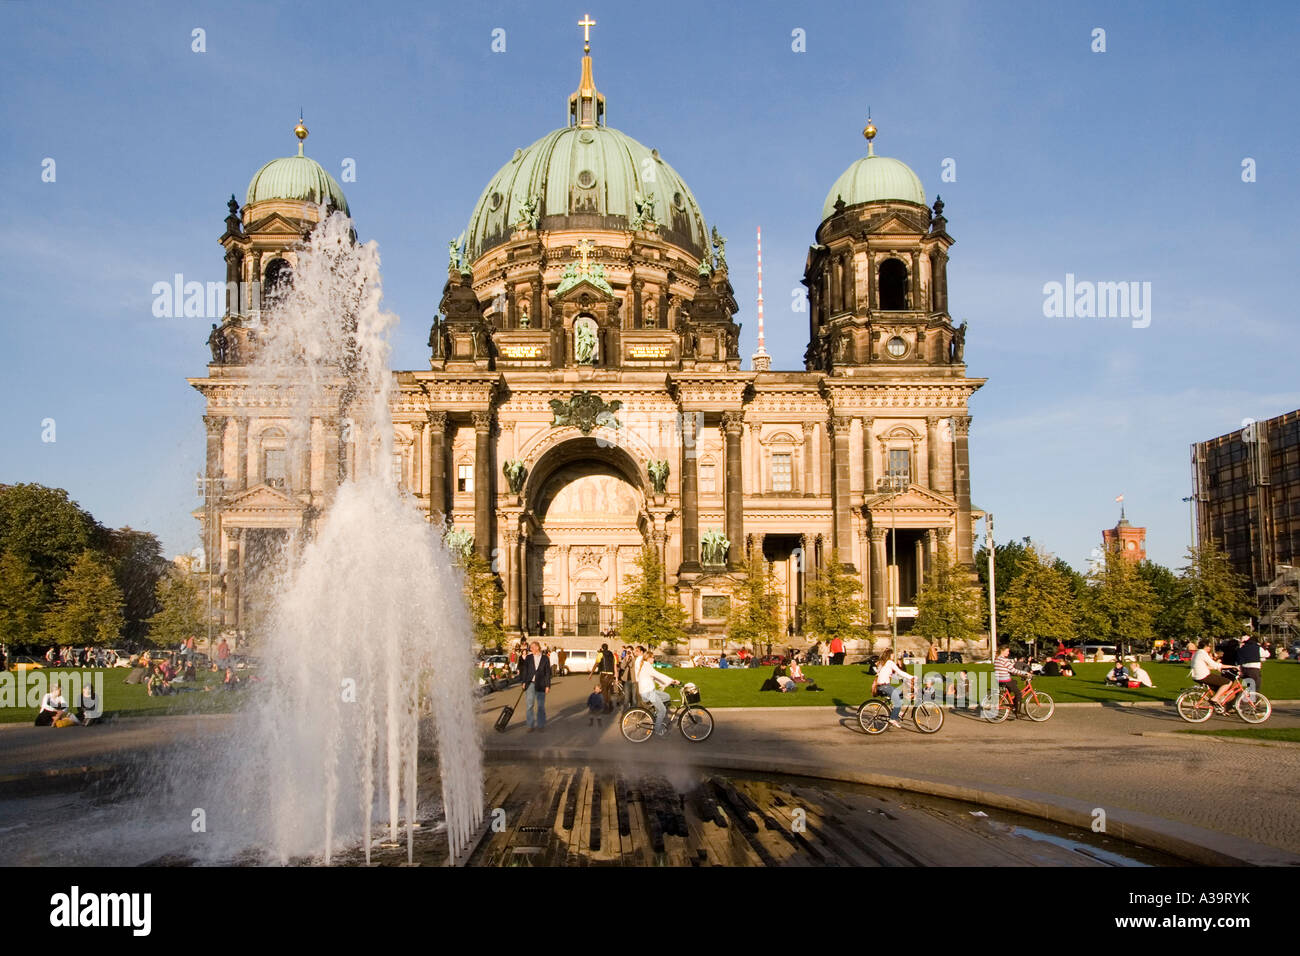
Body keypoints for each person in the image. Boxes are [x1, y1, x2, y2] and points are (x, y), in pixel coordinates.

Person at [635, 648, 678, 736]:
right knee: (662, 710)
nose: (654, 659)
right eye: (652, 658)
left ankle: (656, 713)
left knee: (667, 696)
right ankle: (657, 730)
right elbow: (658, 675)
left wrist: (667, 683)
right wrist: (672, 681)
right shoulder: (647, 666)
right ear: (648, 658)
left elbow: (655, 678)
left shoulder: (647, 666)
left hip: (650, 691)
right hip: (648, 693)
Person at [872, 651, 916, 728]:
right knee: (898, 702)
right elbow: (899, 672)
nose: (893, 656)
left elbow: (891, 675)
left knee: (901, 694)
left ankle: (896, 711)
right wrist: (911, 677)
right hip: (885, 686)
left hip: (883, 686)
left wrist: (903, 679)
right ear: (889, 655)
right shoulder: (889, 662)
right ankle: (892, 718)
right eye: (892, 654)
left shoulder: (883, 663)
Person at [1188, 641, 1232, 711]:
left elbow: (1207, 666)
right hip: (1203, 675)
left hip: (1197, 676)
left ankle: (1218, 705)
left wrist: (1218, 667)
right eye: (1209, 646)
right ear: (1206, 646)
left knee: (1219, 689)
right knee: (1228, 682)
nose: (1210, 648)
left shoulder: (1197, 653)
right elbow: (1214, 665)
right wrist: (1232, 666)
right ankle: (1215, 699)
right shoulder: (1203, 653)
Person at [519, 640, 551, 732]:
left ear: (537, 647)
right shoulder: (528, 658)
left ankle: (541, 725)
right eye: (530, 648)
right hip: (530, 684)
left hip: (541, 684)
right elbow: (525, 670)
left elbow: (547, 673)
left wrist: (547, 685)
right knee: (529, 705)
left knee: (541, 706)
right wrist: (524, 682)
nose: (530, 649)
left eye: (532, 648)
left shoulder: (545, 658)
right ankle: (530, 725)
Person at [993, 646, 1030, 718]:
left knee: (1015, 682)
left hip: (999, 680)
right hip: (1005, 680)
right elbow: (1013, 670)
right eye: (1007, 651)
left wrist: (1015, 661)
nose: (1008, 653)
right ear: (1002, 651)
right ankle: (1017, 713)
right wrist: (1025, 673)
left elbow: (1008, 664)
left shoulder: (997, 659)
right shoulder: (1004, 660)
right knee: (1019, 693)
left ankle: (1009, 699)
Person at [595, 643, 617, 713]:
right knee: (608, 691)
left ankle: (606, 707)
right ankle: (610, 706)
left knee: (604, 691)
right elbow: (615, 666)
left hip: (604, 674)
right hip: (611, 674)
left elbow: (596, 663)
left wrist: (591, 673)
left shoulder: (600, 654)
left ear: (602, 648)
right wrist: (616, 675)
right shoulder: (612, 655)